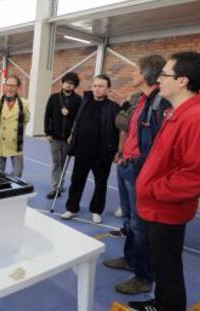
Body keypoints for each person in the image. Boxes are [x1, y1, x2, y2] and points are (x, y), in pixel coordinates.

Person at [128, 52, 200, 311]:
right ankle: (161, 304)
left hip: (166, 209)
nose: (159, 80)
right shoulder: (175, 112)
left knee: (168, 269)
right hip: (157, 207)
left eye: (164, 75)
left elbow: (194, 175)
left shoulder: (195, 118)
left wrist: (155, 189)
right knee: (162, 265)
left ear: (182, 81)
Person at [103, 55, 171, 295]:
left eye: (136, 70)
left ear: (145, 75)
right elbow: (129, 130)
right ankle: (130, 259)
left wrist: (138, 164)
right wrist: (123, 154)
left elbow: (156, 146)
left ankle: (144, 277)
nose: (132, 74)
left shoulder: (160, 103)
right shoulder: (140, 99)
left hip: (138, 169)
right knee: (130, 220)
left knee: (140, 225)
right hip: (127, 164)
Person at [61, 75, 120, 224]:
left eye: (101, 86)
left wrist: (117, 150)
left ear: (108, 89)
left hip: (102, 153)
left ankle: (96, 210)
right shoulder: (84, 102)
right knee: (76, 181)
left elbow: (119, 131)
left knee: (101, 184)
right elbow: (77, 122)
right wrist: (72, 139)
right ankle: (72, 208)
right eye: (95, 85)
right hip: (82, 151)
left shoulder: (113, 108)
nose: (97, 89)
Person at [44, 72, 82, 199]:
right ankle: (56, 187)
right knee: (56, 162)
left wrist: (69, 113)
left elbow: (79, 119)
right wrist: (47, 133)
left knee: (64, 163)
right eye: (66, 82)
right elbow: (47, 116)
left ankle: (60, 182)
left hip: (69, 139)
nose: (68, 85)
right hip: (54, 137)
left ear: (74, 86)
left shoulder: (78, 100)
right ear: (62, 82)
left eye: (71, 83)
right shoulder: (54, 98)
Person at [0, 75, 30, 177]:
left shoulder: (24, 103)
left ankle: (11, 183)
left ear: (18, 87)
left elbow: (26, 119)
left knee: (18, 172)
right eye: (7, 85)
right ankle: (1, 189)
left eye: (13, 85)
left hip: (16, 143)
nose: (9, 88)